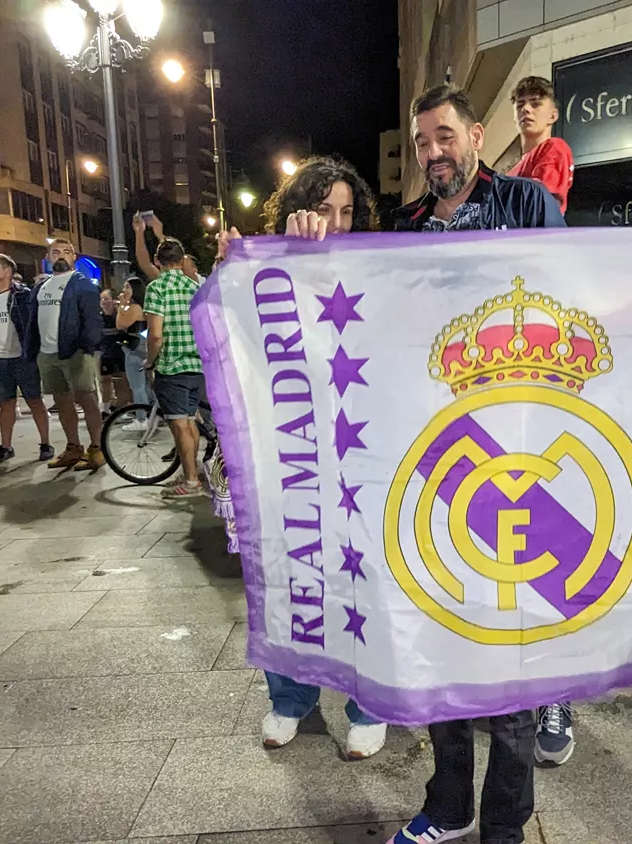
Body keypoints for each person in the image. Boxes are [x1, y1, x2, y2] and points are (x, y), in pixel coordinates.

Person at [386, 83, 563, 844]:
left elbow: (574, 293)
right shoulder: (406, 224)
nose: (433, 153)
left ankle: (504, 827)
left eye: (445, 136)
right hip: (438, 459)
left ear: (477, 135)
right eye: (423, 142)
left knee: (515, 658)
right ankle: (451, 806)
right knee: (446, 640)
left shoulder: (528, 203)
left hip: (521, 454)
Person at [220, 155, 391, 760]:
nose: (337, 224)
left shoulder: (375, 272)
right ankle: (290, 698)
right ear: (299, 209)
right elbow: (233, 335)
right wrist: (235, 268)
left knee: (363, 576)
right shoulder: (270, 267)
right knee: (286, 572)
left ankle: (370, 703)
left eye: (348, 213)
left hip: (360, 453)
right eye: (324, 210)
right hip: (288, 452)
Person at [27, 238, 106, 470]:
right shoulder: (41, 287)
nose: (61, 256)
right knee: (62, 401)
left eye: (66, 252)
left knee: (87, 398)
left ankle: (97, 448)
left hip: (76, 353)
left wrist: (85, 348)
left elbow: (92, 321)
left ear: (74, 258)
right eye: (55, 252)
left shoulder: (82, 284)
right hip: (48, 353)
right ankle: (73, 448)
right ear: (48, 257)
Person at [0, 253, 53, 464]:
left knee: (35, 401)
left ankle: (46, 443)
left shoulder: (24, 295)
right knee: (5, 405)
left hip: (23, 358)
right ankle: (6, 446)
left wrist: (33, 349)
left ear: (7, 269)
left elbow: (35, 324)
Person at [143, 238, 208, 497]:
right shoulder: (195, 288)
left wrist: (150, 361)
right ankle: (189, 473)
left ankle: (191, 480)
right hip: (197, 365)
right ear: (182, 261)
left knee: (179, 425)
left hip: (172, 366)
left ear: (158, 261)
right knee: (190, 422)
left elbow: (155, 335)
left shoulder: (156, 288)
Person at [506, 76, 573, 214]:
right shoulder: (511, 172)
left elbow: (543, 203)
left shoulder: (555, 147)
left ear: (553, 116)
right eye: (520, 105)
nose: (525, 109)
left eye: (535, 104)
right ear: (514, 120)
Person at [116, 276, 150, 427]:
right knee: (144, 385)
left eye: (128, 287)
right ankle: (151, 412)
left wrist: (121, 307)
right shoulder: (140, 306)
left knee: (137, 385)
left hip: (134, 348)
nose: (124, 291)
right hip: (139, 346)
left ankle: (142, 418)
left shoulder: (134, 308)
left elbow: (120, 324)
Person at [98, 287, 131, 414]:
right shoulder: (98, 318)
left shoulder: (120, 315)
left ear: (114, 300)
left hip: (120, 352)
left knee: (121, 381)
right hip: (104, 353)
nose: (104, 302)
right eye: (101, 299)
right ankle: (106, 410)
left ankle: (122, 408)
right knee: (105, 380)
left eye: (106, 299)